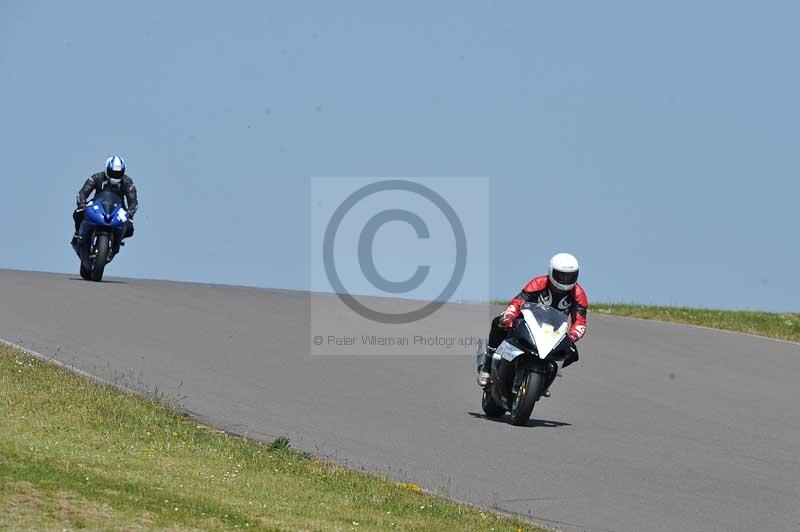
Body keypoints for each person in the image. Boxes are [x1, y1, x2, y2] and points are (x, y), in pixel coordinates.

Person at [478, 253, 588, 392]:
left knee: (572, 352)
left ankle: (545, 378)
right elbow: (518, 302)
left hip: (554, 331)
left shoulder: (578, 293)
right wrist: (509, 317)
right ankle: (487, 365)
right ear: (551, 272)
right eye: (561, 275)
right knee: (498, 322)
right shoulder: (539, 282)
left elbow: (580, 322)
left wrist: (572, 336)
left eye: (570, 276)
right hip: (527, 323)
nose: (565, 280)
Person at [72, 155, 138, 245]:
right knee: (78, 213)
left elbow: (133, 201)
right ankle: (78, 235)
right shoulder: (96, 177)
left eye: (118, 174)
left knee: (130, 228)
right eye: (113, 173)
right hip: (97, 206)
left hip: (118, 210)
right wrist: (82, 205)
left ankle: (116, 242)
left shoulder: (128, 182)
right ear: (107, 169)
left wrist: (130, 213)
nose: (115, 176)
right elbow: (82, 193)